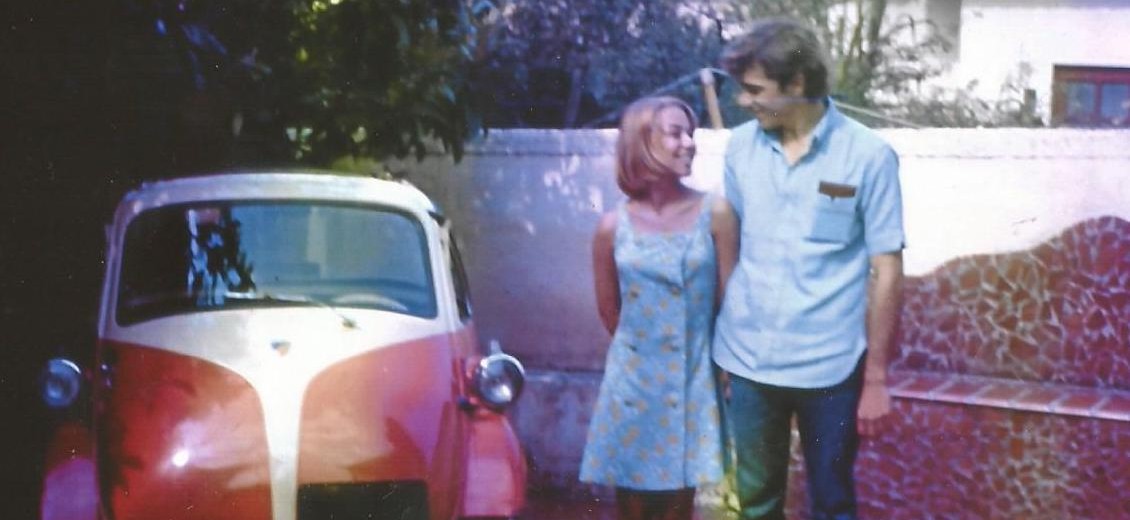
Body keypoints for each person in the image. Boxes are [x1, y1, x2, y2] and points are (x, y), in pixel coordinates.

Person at [713, 18, 905, 520]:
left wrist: (876, 379)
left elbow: (887, 269)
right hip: (749, 362)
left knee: (833, 501)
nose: (743, 101)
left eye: (755, 89)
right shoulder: (740, 148)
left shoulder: (869, 156)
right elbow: (731, 245)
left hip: (830, 367)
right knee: (755, 502)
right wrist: (727, 340)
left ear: (797, 83)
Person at [579, 96, 740, 520]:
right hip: (633, 385)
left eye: (691, 133)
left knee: (677, 506)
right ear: (642, 142)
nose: (689, 143)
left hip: (693, 380)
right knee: (632, 505)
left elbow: (731, 303)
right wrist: (646, 358)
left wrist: (716, 366)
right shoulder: (612, 227)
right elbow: (610, 312)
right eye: (675, 133)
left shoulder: (716, 213)